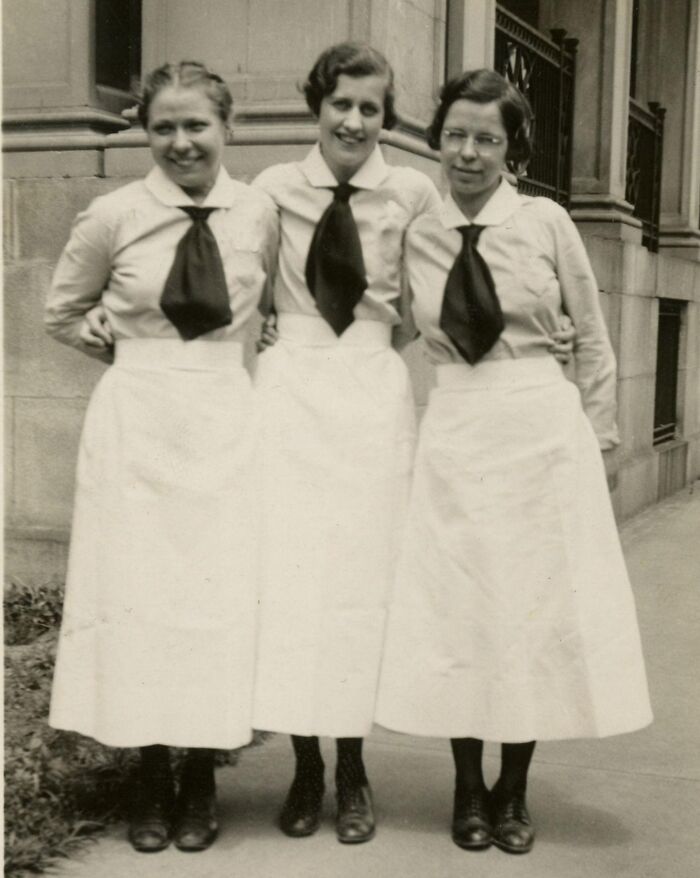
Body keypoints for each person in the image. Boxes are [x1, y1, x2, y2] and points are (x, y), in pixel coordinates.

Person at [251, 44, 575, 845]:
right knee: (296, 581)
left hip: (370, 395)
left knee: (365, 582)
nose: (355, 121)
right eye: (342, 105)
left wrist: (548, 341)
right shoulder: (270, 191)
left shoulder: (414, 196)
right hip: (291, 394)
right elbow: (241, 285)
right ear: (316, 106)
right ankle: (306, 766)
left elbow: (440, 293)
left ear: (389, 120)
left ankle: (354, 768)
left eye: (371, 109)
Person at [374, 69, 652, 855]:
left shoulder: (547, 222)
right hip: (457, 429)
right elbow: (387, 320)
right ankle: (466, 787)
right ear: (438, 138)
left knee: (529, 613)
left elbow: (593, 338)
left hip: (538, 431)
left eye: (486, 138)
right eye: (456, 134)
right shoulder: (416, 228)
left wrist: (600, 441)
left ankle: (513, 790)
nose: (468, 152)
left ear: (512, 149)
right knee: (462, 611)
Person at [45, 61, 278, 855]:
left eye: (196, 125)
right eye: (164, 127)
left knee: (212, 599)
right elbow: (63, 311)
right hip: (138, 422)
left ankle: (203, 775)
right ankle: (150, 773)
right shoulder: (113, 214)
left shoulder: (259, 214)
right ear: (146, 132)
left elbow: (275, 310)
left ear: (228, 126)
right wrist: (118, 352)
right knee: (144, 598)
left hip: (223, 416)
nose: (181, 142)